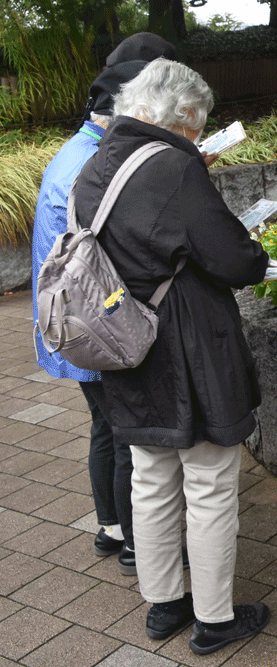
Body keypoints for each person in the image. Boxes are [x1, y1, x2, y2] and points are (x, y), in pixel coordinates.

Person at [73, 58, 271, 655]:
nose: (196, 137)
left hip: (126, 346)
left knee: (151, 477)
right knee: (209, 481)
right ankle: (214, 619)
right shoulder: (175, 169)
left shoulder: (94, 166)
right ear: (183, 117)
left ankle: (164, 605)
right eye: (196, 126)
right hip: (191, 348)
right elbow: (237, 261)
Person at [31, 33, 176, 577]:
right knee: (124, 434)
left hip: (71, 321)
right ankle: (139, 544)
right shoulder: (93, 164)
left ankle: (111, 526)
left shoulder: (77, 151)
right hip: (92, 323)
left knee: (103, 428)